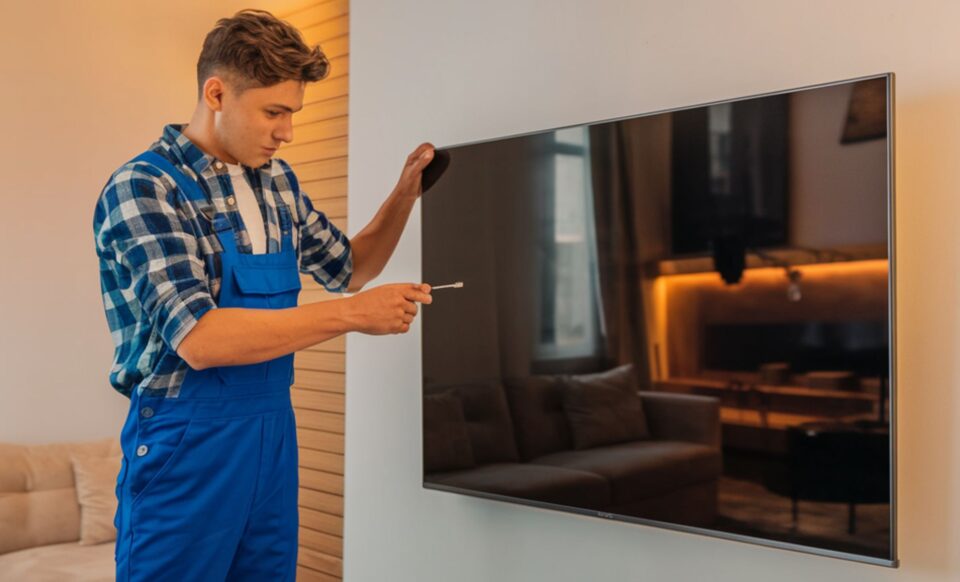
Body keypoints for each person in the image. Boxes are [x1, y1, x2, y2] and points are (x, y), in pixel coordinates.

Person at [92, 9, 433, 581]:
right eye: (273, 112)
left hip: (271, 435)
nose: (287, 132)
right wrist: (351, 318)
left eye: (292, 114)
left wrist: (405, 192)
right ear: (217, 93)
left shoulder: (275, 183)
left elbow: (351, 268)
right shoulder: (144, 188)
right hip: (184, 444)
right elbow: (201, 339)